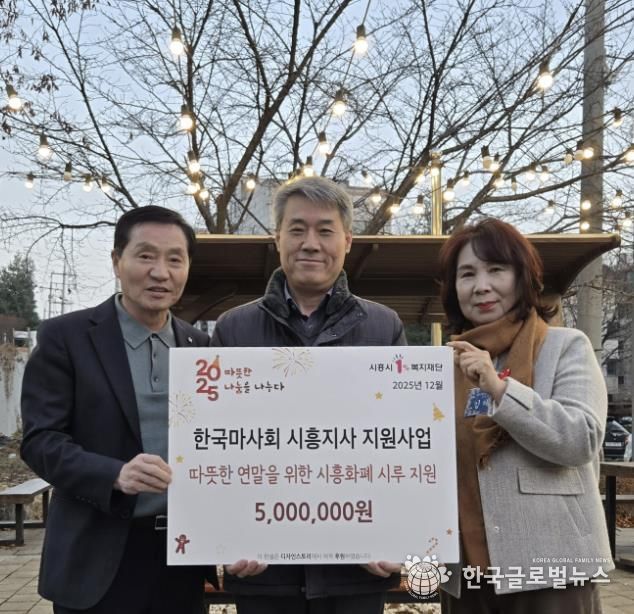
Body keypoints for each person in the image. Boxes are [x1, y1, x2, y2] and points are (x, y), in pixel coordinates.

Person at [210, 176, 406, 614]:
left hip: (357, 565)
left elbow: (401, 440)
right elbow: (215, 441)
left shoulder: (383, 327)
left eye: (325, 231)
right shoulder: (233, 329)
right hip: (263, 567)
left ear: (348, 240)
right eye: (297, 230)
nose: (310, 244)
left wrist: (395, 534)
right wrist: (225, 534)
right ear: (277, 238)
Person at [21, 206, 214, 614]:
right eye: (145, 256)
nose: (160, 272)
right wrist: (114, 474)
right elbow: (41, 441)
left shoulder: (201, 348)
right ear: (116, 261)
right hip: (96, 557)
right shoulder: (66, 338)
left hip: (181, 558)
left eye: (175, 259)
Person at [437, 218, 613, 613]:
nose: (481, 285)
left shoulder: (566, 346)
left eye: (496, 269)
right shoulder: (443, 365)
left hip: (552, 568)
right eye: (467, 274)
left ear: (522, 277)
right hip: (465, 573)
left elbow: (581, 439)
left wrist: (500, 389)